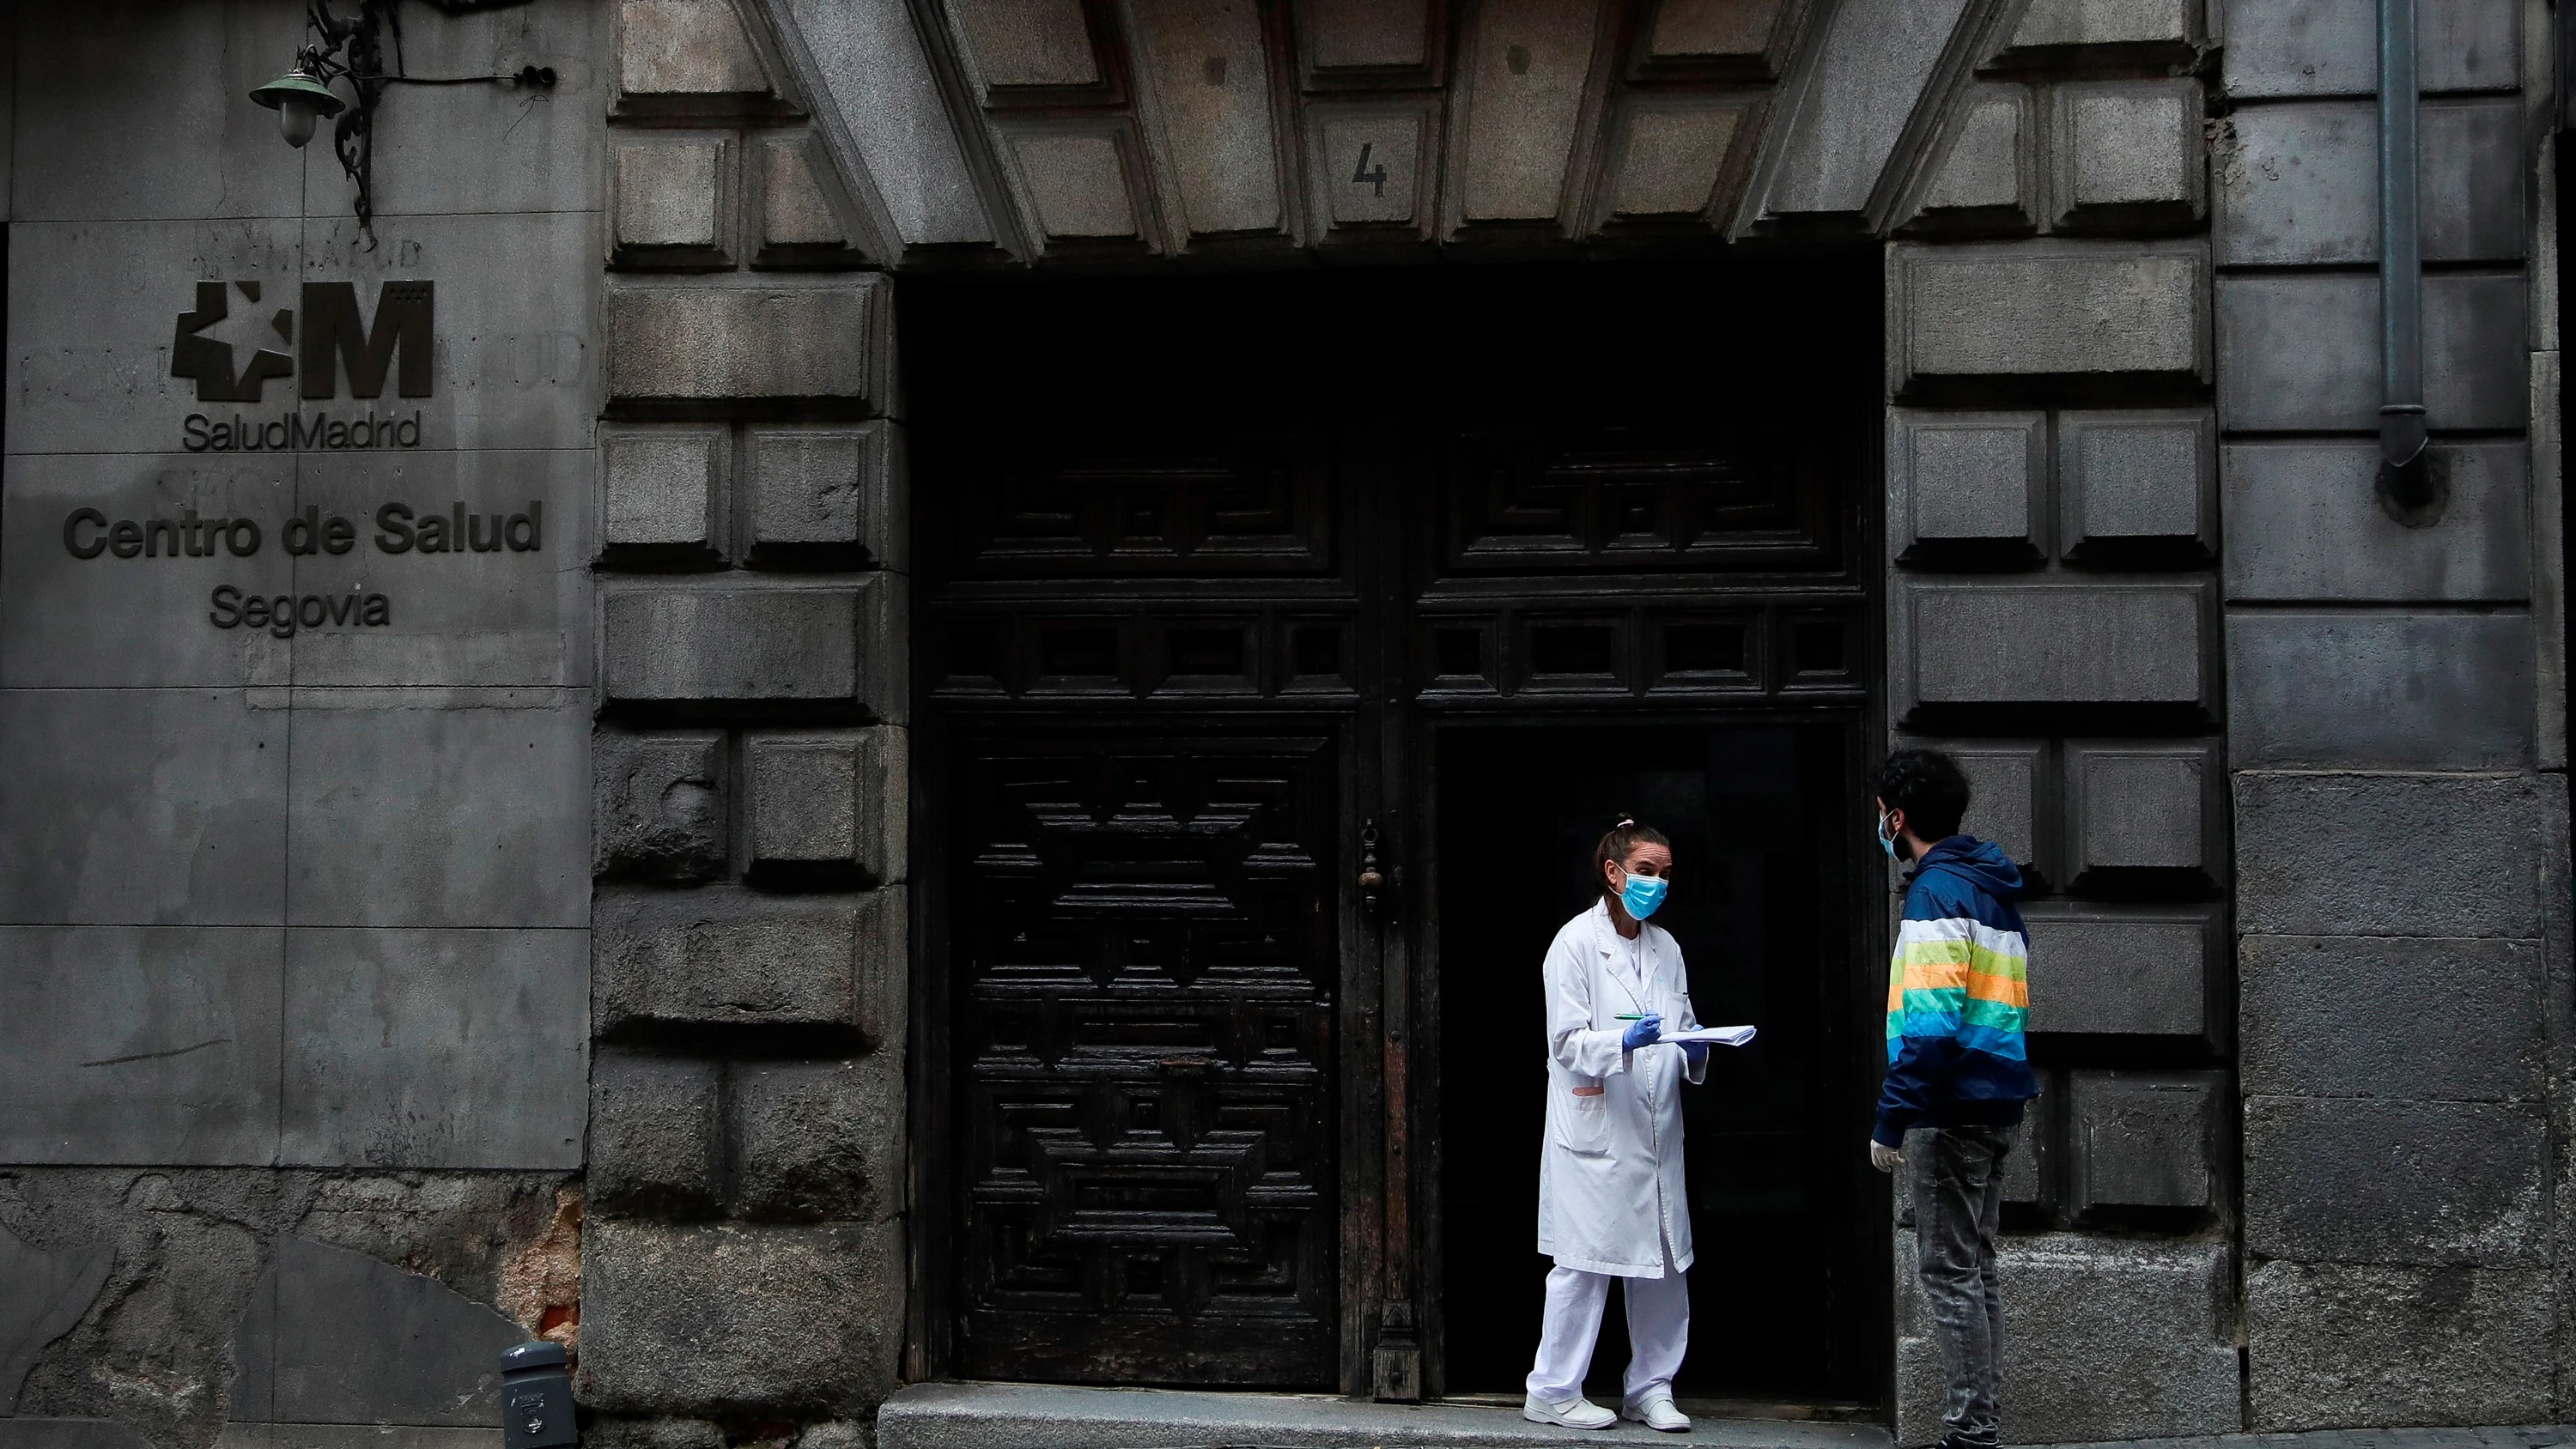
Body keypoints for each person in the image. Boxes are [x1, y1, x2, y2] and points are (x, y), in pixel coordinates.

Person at [1866, 748, 2037, 1449]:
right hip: (1996, 1103)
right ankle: (1980, 1425)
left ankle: (1971, 1433)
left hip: (1950, 1109)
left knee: (1948, 1275)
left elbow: (1930, 1026)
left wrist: (1890, 1120)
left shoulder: (1936, 892)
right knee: (1976, 1270)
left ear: (1898, 818)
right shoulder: (1991, 888)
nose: (1879, 823)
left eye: (1880, 814)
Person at [1524, 817, 1710, 1434]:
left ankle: (1652, 1388)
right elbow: (1566, 1042)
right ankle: (1552, 1390)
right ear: (1614, 873)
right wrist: (1623, 1041)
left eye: (1664, 873)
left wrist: (1699, 1046)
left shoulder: (1667, 948)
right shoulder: (1574, 944)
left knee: (1664, 1260)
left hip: (1656, 1126)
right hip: (1598, 1131)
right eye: (1646, 871)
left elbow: (1682, 1020)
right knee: (1584, 1261)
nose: (1657, 883)